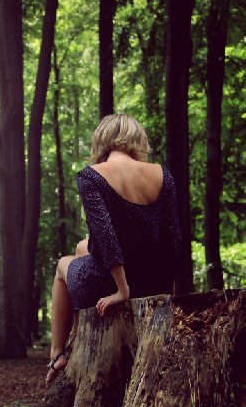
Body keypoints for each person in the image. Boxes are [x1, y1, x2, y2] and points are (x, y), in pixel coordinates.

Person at [46, 113, 181, 387]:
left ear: (102, 140)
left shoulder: (92, 175)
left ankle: (57, 353)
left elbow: (105, 235)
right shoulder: (162, 175)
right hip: (152, 281)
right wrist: (169, 291)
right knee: (81, 247)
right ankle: (76, 336)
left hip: (113, 284)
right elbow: (173, 240)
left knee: (62, 265)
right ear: (137, 140)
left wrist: (122, 290)